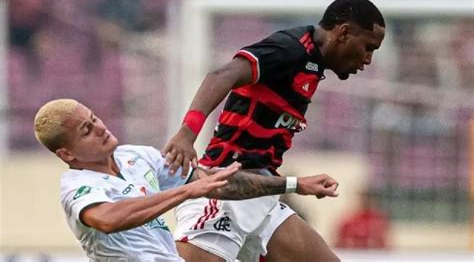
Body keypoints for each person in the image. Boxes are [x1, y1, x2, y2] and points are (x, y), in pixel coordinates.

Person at [163, 0, 385, 261]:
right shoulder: (290, 49)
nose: (368, 59)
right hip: (225, 192)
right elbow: (221, 75)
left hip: (261, 197)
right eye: (368, 47)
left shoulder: (312, 63)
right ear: (344, 32)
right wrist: (187, 133)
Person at [33, 98, 339, 261]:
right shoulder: (76, 188)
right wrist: (189, 192)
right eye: (86, 131)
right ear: (67, 154)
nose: (100, 128)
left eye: (94, 118)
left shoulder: (136, 157)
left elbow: (216, 183)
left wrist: (294, 184)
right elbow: (110, 219)